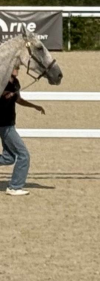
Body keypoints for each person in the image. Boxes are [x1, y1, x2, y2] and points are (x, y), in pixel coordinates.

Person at [0, 67, 45, 196]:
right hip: (4, 125)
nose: (16, 70)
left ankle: (15, 186)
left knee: (8, 158)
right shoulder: (2, 82)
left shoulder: (15, 83)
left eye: (17, 68)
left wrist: (34, 106)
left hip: (10, 124)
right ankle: (15, 186)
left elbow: (18, 100)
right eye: (14, 67)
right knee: (23, 155)